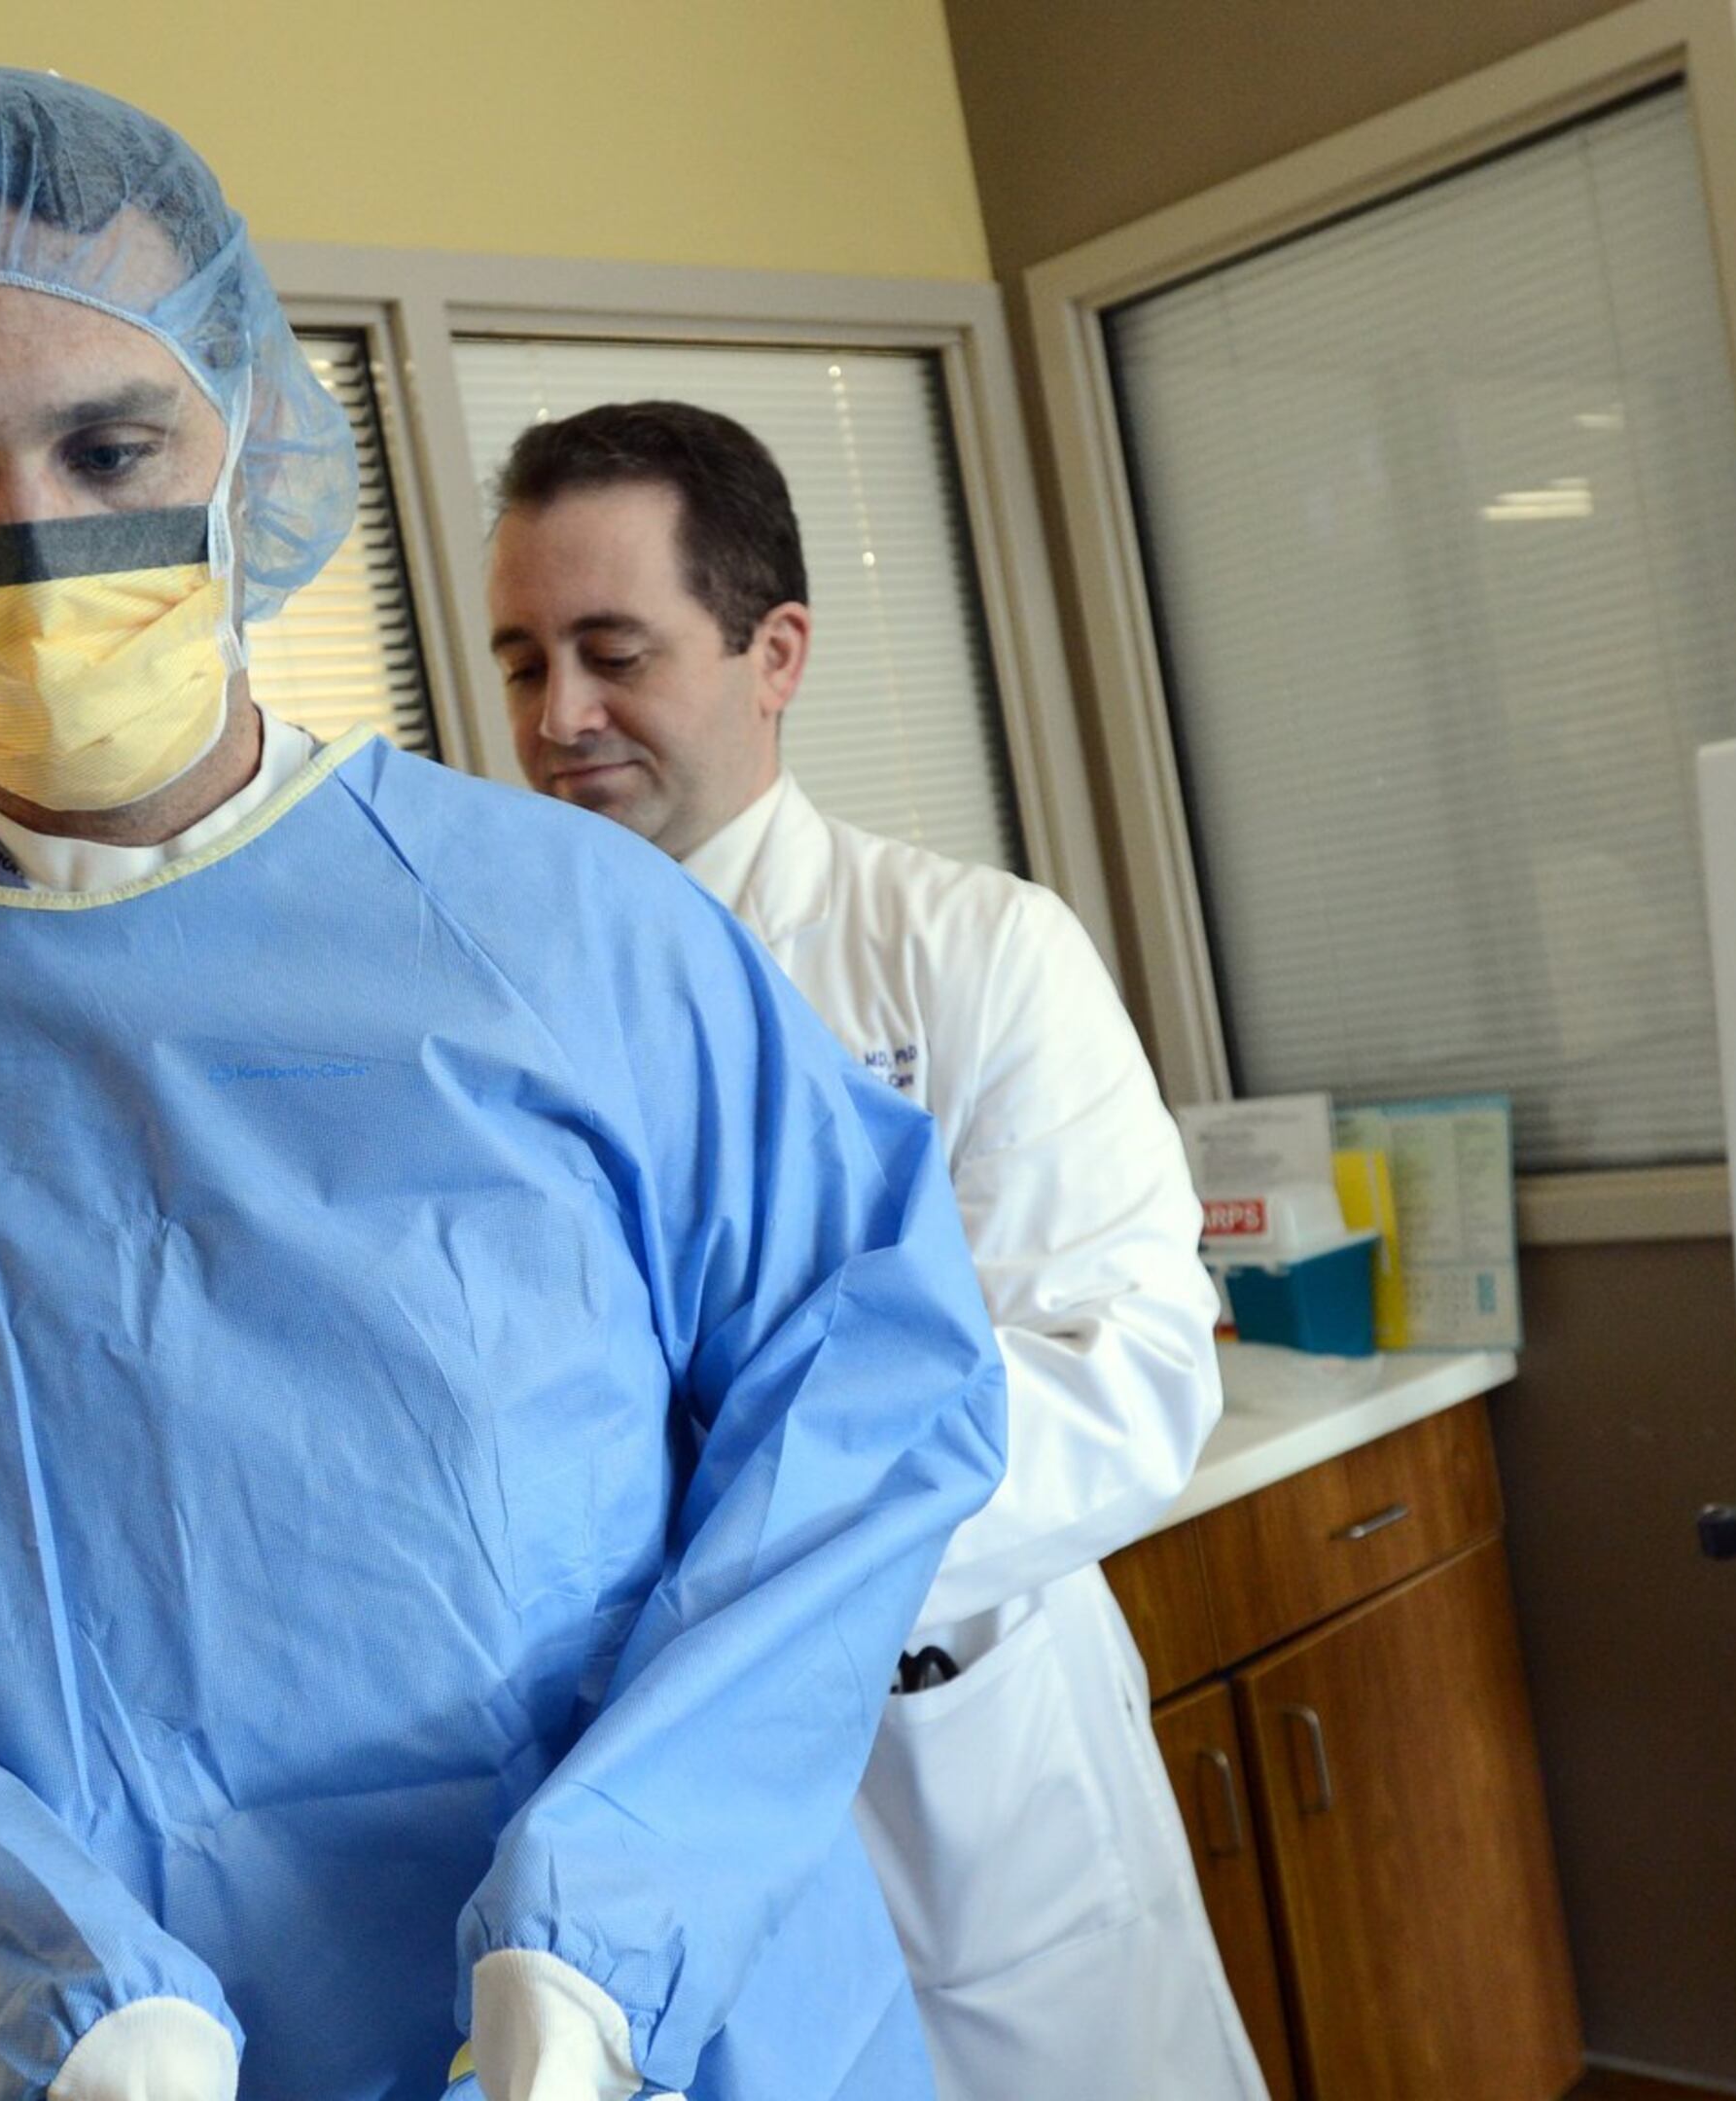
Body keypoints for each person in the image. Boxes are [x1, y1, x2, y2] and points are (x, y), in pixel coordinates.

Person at [0, 74, 1008, 2101]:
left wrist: (617, 1924)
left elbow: (859, 1407)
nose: (36, 537)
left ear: (248, 434)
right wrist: (53, 1987)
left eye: (111, 445)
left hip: (670, 2033)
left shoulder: (563, 926)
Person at [486, 401, 1273, 2101]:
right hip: (652, 1828)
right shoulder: (491, 1016)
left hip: (954, 1773)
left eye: (614, 653)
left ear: (774, 654)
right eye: (524, 662)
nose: (558, 720)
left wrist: (723, 1563)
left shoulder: (970, 954)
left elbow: (1123, 1377)